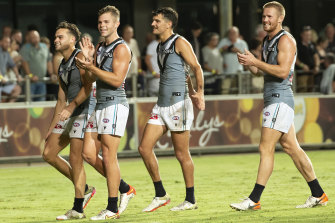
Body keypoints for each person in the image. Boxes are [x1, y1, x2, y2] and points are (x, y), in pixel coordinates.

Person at [231, 1, 328, 211]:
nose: (265, 20)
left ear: (280, 18)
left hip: (279, 98)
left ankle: (254, 199)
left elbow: (283, 71)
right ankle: (318, 194)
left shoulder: (286, 41)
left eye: (269, 17)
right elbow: (260, 71)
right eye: (263, 16)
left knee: (265, 148)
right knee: (292, 148)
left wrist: (256, 62)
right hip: (274, 98)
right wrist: (249, 63)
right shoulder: (267, 41)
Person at [138, 7, 205, 212]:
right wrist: (193, 89)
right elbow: (184, 73)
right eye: (153, 20)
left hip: (178, 105)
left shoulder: (180, 42)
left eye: (157, 21)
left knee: (181, 154)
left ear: (169, 24)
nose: (153, 24)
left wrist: (199, 93)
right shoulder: (160, 46)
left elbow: (196, 67)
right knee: (144, 148)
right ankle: (161, 194)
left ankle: (190, 199)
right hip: (162, 105)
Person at [76, 5, 135, 220]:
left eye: (106, 22)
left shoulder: (122, 48)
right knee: (89, 155)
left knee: (109, 156)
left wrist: (91, 67)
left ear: (116, 23)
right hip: (98, 104)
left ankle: (112, 208)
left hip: (114, 105)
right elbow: (91, 80)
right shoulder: (100, 47)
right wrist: (87, 62)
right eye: (100, 22)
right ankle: (125, 188)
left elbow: (117, 80)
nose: (102, 25)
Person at [42, 21, 96, 220]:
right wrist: (51, 128)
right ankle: (87, 189)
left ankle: (78, 208)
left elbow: (88, 87)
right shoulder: (62, 65)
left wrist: (71, 107)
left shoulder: (80, 57)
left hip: (83, 112)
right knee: (48, 153)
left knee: (76, 159)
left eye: (60, 37)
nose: (56, 40)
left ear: (72, 40)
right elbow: (60, 99)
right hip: (69, 115)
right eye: (55, 37)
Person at [20, 29, 53, 101]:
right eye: (32, 37)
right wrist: (31, 76)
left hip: (42, 80)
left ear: (39, 37)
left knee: (41, 104)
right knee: (29, 104)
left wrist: (51, 74)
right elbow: (24, 63)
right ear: (29, 38)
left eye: (36, 37)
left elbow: (48, 61)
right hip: (30, 82)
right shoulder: (25, 48)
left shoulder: (44, 46)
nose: (34, 39)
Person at [218, 26, 248, 94]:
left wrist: (238, 51)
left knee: (237, 92)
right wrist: (223, 49)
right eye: (230, 32)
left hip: (238, 72)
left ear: (238, 34)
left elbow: (247, 56)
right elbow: (216, 53)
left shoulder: (242, 43)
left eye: (234, 32)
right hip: (226, 72)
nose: (231, 34)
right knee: (224, 92)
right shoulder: (223, 41)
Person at [295, 26, 320, 92]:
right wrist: (302, 65)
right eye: (306, 35)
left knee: (311, 91)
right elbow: (294, 58)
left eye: (309, 35)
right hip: (301, 74)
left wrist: (317, 66)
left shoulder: (312, 45)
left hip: (311, 73)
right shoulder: (297, 45)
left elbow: (316, 56)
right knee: (302, 90)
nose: (308, 37)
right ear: (301, 35)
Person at [122, 24, 143, 97]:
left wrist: (139, 70)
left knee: (136, 93)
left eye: (130, 32)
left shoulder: (134, 42)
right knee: (127, 94)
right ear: (123, 33)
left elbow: (138, 56)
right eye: (127, 32)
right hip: (126, 74)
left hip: (135, 73)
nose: (129, 34)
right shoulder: (121, 43)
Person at [0, 35, 22, 102]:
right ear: (0, 42)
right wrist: (1, 77)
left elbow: (13, 65)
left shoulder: (6, 53)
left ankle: (9, 108)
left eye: (9, 42)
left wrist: (17, 76)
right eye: (6, 42)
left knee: (17, 89)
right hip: (1, 80)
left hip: (2, 83)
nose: (8, 44)